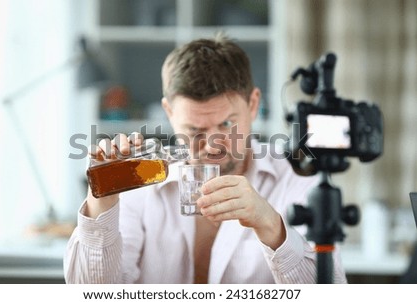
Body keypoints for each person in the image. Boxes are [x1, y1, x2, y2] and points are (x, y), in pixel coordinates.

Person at [63, 33, 347, 284]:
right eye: (195, 129)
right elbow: (93, 293)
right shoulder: (139, 181)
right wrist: (102, 201)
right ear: (169, 112)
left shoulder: (298, 182)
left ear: (253, 105)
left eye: (226, 124)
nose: (211, 144)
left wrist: (271, 226)